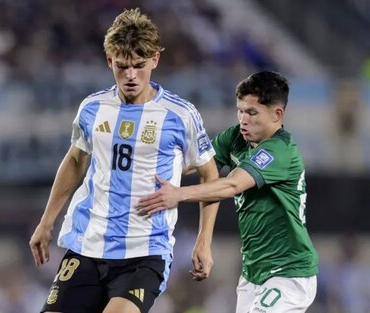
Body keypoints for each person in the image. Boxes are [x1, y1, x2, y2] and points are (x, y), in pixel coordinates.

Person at [29, 8, 219, 313]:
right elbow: (76, 160)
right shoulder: (92, 108)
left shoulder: (180, 115)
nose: (131, 75)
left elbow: (210, 176)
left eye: (139, 66)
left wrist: (203, 241)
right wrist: (46, 221)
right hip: (88, 246)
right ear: (109, 60)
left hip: (144, 253)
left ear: (155, 59)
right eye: (122, 66)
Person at [137, 71, 319, 313]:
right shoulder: (234, 137)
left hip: (289, 272)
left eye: (252, 113)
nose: (243, 119)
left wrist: (178, 194)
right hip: (253, 272)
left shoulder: (280, 150)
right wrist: (143, 165)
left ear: (277, 114)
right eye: (240, 110)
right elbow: (196, 165)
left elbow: (232, 185)